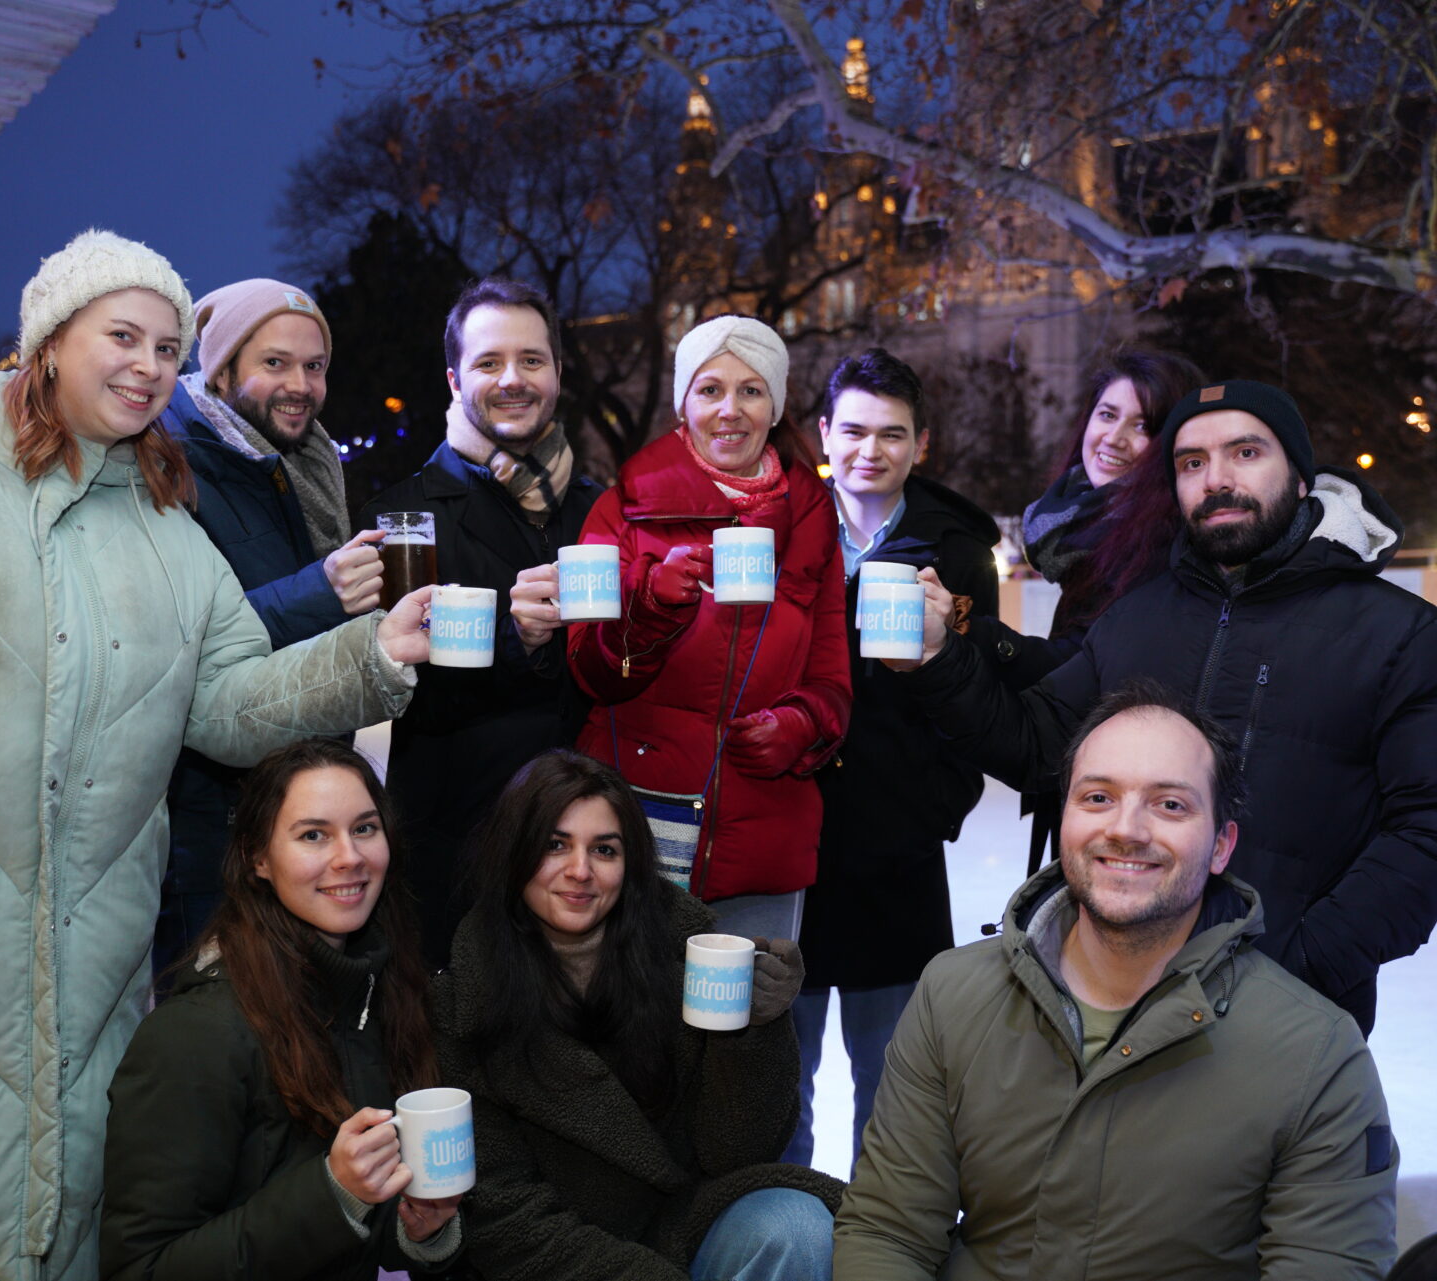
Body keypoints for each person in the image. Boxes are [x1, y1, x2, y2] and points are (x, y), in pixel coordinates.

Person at [0, 230, 433, 1280]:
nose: (148, 365)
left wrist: (370, 657)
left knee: (55, 1222)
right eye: (123, 335)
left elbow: (233, 704)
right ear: (49, 341)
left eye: (168, 346)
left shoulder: (165, 527)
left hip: (94, 984)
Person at [899, 379, 1437, 1034]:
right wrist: (940, 658)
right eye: (1192, 463)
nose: (1217, 479)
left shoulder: (1402, 635)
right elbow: (1037, 742)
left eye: (1245, 453)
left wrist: (1302, 963)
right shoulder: (1135, 617)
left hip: (1289, 1022)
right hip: (1117, 1001)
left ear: (1300, 476)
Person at [835, 684, 1398, 1280]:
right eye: (1098, 797)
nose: (1126, 829)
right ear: (1066, 819)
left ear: (1221, 846)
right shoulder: (953, 995)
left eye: (1170, 805)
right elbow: (888, 1232)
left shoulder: (1316, 1055)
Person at [433, 749, 844, 1281]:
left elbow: (738, 1155)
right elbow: (505, 1217)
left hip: (679, 1229)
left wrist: (752, 1031)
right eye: (555, 845)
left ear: (629, 867)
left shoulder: (685, 958)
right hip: (558, 1264)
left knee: (798, 1223)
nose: (580, 871)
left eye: (604, 850)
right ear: (514, 852)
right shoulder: (461, 1003)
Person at [103, 739, 464, 1279]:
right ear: (258, 858)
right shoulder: (195, 1035)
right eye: (313, 835)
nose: (350, 856)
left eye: (364, 828)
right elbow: (141, 1269)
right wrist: (332, 1193)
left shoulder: (378, 993)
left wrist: (417, 1229)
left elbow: (351, 1239)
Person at [567, 314, 851, 941]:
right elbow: (589, 672)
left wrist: (800, 725)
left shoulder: (812, 518)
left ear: (774, 406)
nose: (731, 410)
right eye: (710, 389)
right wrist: (650, 607)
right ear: (683, 404)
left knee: (748, 1026)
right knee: (628, 1027)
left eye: (751, 390)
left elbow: (833, 676)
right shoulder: (624, 510)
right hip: (633, 824)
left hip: (764, 833)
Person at [784, 348, 997, 1170]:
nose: (872, 450)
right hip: (790, 846)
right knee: (778, 1080)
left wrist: (936, 805)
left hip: (896, 854)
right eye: (856, 431)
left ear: (922, 444)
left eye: (894, 434)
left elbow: (977, 699)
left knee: (897, 1088)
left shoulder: (957, 547)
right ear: (827, 435)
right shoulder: (780, 527)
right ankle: (793, 1232)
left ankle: (884, 1244)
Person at [356, 277, 604, 966]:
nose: (512, 379)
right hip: (458, 867)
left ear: (557, 371)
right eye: (489, 362)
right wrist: (511, 637)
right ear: (454, 377)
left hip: (581, 863)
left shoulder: (599, 511)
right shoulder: (402, 519)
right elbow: (388, 688)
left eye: (532, 360)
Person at [156, 277, 393, 975]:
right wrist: (323, 591)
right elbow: (188, 642)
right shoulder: (173, 463)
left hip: (292, 805)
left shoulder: (303, 463)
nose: (300, 385)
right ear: (221, 368)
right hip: (211, 822)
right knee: (223, 1033)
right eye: (275, 364)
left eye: (314, 366)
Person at [1021, 347, 1205, 654]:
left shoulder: (1163, 547)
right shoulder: (1082, 519)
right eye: (1108, 415)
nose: (1113, 438)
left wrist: (976, 639)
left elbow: (1082, 668)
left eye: (1142, 426)